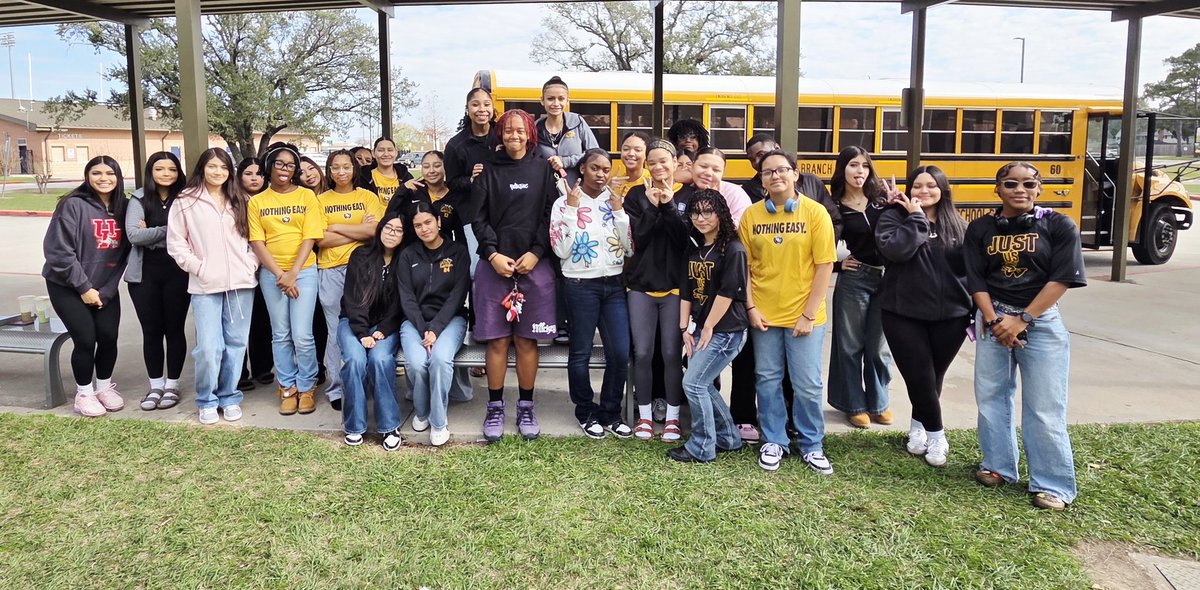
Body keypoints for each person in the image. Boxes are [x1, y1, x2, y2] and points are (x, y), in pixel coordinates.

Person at [965, 162, 1087, 511]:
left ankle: (1052, 484)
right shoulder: (981, 228)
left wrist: (1022, 319)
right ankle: (998, 465)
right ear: (998, 189)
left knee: (1045, 404)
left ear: (1039, 188)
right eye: (1011, 183)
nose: (1020, 189)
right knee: (991, 395)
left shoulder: (1059, 225)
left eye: (1028, 184)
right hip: (992, 317)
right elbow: (975, 279)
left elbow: (1061, 278)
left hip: (1041, 320)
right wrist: (993, 318)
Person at [740, 150, 837, 474]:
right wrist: (751, 307)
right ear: (762, 180)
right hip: (764, 315)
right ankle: (774, 440)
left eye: (782, 170)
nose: (775, 176)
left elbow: (825, 265)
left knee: (807, 383)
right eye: (768, 172)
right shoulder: (751, 216)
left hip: (804, 316)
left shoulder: (816, 213)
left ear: (796, 175)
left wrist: (809, 314)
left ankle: (811, 444)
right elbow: (746, 269)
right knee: (766, 380)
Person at [874, 165, 970, 467]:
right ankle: (938, 435)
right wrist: (915, 217)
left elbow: (970, 269)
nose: (924, 191)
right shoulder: (893, 217)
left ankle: (918, 428)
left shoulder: (958, 223)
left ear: (943, 189)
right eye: (918, 185)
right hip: (902, 312)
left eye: (931, 185)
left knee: (932, 377)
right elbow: (897, 251)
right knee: (919, 375)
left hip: (951, 315)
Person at [471, 108, 558, 442]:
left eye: (520, 131)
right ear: (500, 134)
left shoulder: (542, 169)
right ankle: (495, 407)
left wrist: (536, 252)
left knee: (525, 340)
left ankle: (525, 405)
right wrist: (492, 254)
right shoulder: (488, 171)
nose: (514, 136)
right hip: (495, 266)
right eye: (508, 131)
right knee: (496, 341)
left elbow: (550, 215)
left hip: (533, 265)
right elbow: (477, 219)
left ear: (530, 134)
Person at [166, 148, 258, 424]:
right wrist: (199, 267)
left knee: (236, 344)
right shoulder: (186, 200)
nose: (218, 172)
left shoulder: (240, 199)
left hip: (241, 284)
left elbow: (255, 238)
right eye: (212, 166)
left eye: (223, 167)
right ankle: (206, 398)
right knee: (208, 347)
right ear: (202, 168)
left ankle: (229, 395)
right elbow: (176, 242)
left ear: (230, 171)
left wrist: (250, 263)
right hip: (205, 285)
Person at [551, 148, 633, 439]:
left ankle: (611, 412)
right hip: (579, 286)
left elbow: (629, 248)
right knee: (581, 352)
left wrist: (620, 211)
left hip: (613, 285)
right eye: (595, 168)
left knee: (620, 352)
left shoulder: (613, 202)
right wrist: (573, 211)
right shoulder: (563, 203)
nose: (601, 174)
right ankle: (585, 411)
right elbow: (560, 250)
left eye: (605, 169)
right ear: (582, 169)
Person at [42, 156, 130, 417]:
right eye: (96, 173)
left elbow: (124, 255)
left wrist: (107, 290)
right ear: (87, 176)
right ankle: (84, 392)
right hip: (67, 286)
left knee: (108, 337)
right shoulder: (72, 205)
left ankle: (103, 387)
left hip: (104, 287)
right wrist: (83, 288)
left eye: (110, 173)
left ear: (118, 177)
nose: (104, 178)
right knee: (85, 338)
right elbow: (58, 252)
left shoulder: (123, 208)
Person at [670, 189, 748, 463]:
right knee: (702, 384)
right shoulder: (694, 248)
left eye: (707, 211)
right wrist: (684, 329)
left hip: (727, 330)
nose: (701, 218)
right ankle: (728, 437)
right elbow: (686, 291)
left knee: (693, 384)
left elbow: (728, 292)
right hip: (703, 327)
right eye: (695, 212)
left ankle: (702, 447)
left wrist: (709, 327)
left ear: (721, 214)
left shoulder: (734, 249)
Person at [249, 142, 325, 415]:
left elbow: (310, 236)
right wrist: (280, 275)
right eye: (280, 164)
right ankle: (287, 387)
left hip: (303, 273)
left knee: (303, 334)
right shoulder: (258, 201)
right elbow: (257, 242)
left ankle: (306, 386)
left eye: (290, 165)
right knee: (280, 334)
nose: (285, 169)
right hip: (272, 276)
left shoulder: (306, 197)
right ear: (269, 167)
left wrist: (292, 273)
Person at [624, 139, 692, 441]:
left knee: (669, 353)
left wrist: (668, 206)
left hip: (676, 289)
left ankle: (674, 418)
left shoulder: (689, 196)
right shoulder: (636, 195)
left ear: (676, 162)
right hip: (640, 287)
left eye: (664, 161)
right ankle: (646, 417)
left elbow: (684, 240)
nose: (658, 167)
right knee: (643, 353)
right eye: (652, 162)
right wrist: (652, 205)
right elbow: (637, 238)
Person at [827, 146, 893, 429]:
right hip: (855, 278)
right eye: (854, 165)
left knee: (879, 347)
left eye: (865, 166)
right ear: (843, 169)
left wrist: (895, 205)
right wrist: (839, 265)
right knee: (850, 345)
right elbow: (817, 248)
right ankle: (853, 404)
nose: (860, 171)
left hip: (887, 278)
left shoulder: (881, 200)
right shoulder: (833, 206)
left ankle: (879, 402)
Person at [397, 203, 471, 447]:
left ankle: (439, 422)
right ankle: (421, 411)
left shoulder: (458, 251)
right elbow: (406, 297)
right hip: (415, 323)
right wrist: (423, 329)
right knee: (417, 363)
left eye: (428, 222)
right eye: (417, 225)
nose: (423, 228)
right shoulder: (408, 255)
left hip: (450, 320)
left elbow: (458, 294)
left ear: (438, 222)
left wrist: (435, 329)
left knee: (440, 359)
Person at [315, 149, 382, 412]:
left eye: (346, 167)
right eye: (335, 167)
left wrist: (336, 228)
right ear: (329, 171)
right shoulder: (320, 200)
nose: (341, 172)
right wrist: (359, 232)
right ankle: (337, 388)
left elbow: (375, 231)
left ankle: (363, 384)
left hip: (365, 269)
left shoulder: (367, 196)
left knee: (364, 327)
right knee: (335, 331)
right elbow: (321, 240)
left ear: (354, 169)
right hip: (331, 268)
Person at [124, 152, 189, 411]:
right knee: (151, 331)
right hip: (144, 276)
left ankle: (172, 385)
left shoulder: (185, 197)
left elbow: (190, 232)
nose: (166, 174)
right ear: (151, 171)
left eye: (171, 169)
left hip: (178, 273)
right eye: (159, 169)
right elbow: (134, 235)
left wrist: (151, 230)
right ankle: (155, 385)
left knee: (174, 330)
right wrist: (170, 231)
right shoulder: (139, 198)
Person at [445, 87, 499, 379]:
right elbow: (451, 183)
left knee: (504, 277)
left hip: (504, 218)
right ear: (467, 109)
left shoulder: (503, 137)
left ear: (492, 108)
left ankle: (503, 338)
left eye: (486, 104)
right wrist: (472, 179)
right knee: (479, 279)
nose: (481, 109)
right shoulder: (456, 145)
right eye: (475, 104)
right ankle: (479, 341)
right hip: (472, 221)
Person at [339, 214, 405, 450]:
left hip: (386, 326)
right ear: (379, 229)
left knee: (380, 359)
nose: (392, 233)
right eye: (388, 228)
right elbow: (353, 298)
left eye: (399, 230)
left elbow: (402, 303)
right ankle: (355, 426)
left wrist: (385, 329)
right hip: (354, 322)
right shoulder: (361, 255)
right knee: (355, 360)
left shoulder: (405, 260)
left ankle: (389, 426)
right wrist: (361, 332)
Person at [236, 157, 274, 391]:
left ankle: (262, 367)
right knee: (240, 322)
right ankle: (239, 371)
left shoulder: (270, 200)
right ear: (239, 176)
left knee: (263, 320)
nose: (254, 178)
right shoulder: (233, 201)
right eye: (248, 173)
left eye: (259, 174)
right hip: (241, 267)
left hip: (268, 267)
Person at [386, 150, 466, 243]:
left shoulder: (454, 195)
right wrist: (402, 190)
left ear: (446, 167)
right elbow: (389, 216)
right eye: (426, 167)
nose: (431, 171)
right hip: (412, 252)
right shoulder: (412, 191)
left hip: (442, 252)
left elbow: (460, 234)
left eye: (437, 166)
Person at [535, 76, 599, 186]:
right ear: (542, 100)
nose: (556, 103)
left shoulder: (577, 122)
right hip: (544, 191)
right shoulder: (536, 127)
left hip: (575, 190)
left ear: (567, 100)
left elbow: (595, 154)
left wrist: (565, 161)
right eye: (550, 98)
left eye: (561, 98)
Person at [690, 147, 751, 227]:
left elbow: (743, 226)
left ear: (723, 173)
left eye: (716, 170)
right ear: (692, 165)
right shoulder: (682, 190)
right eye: (703, 166)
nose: (708, 173)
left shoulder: (735, 193)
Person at [357, 137, 413, 208]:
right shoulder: (363, 178)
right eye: (381, 150)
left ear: (396, 152)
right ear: (373, 153)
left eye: (390, 150)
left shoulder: (406, 178)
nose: (386, 154)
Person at [609, 131, 651, 197]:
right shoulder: (616, 183)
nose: (631, 153)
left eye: (637, 150)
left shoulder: (652, 180)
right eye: (626, 149)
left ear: (647, 154)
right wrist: (607, 191)